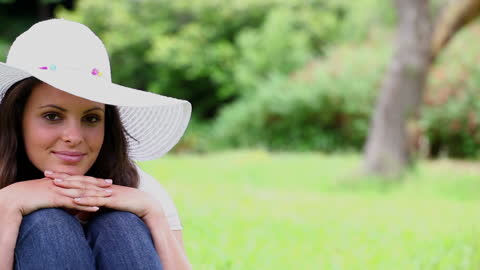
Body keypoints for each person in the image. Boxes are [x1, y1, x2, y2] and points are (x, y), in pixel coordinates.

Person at [0, 19, 192, 269]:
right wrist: (8, 204)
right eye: (52, 116)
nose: (74, 136)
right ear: (17, 119)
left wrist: (152, 212)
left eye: (91, 118)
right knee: (49, 224)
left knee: (121, 224)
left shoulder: (140, 188)